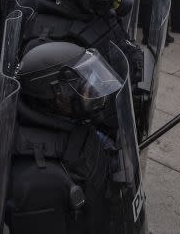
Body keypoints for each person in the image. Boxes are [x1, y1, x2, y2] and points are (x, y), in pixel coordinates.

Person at [8, 42, 121, 233]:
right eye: (84, 84)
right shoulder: (38, 182)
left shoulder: (70, 123)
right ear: (57, 95)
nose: (92, 90)